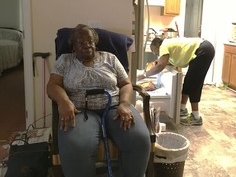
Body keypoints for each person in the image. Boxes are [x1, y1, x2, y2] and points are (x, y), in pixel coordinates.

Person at [47, 24, 151, 177]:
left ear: (95, 42)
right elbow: (52, 85)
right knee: (77, 146)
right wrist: (64, 102)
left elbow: (126, 84)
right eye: (81, 43)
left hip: (115, 107)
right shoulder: (65, 60)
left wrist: (124, 104)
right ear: (73, 46)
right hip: (80, 110)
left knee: (139, 140)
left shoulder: (110, 58)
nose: (87, 45)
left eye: (90, 41)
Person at [137, 37, 215, 126]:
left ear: (156, 46)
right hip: (203, 49)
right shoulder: (167, 44)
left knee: (194, 83)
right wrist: (159, 62)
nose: (154, 53)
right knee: (188, 81)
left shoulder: (163, 46)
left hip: (203, 50)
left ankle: (196, 117)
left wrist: (144, 75)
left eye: (153, 51)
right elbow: (166, 62)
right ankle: (182, 109)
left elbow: (160, 66)